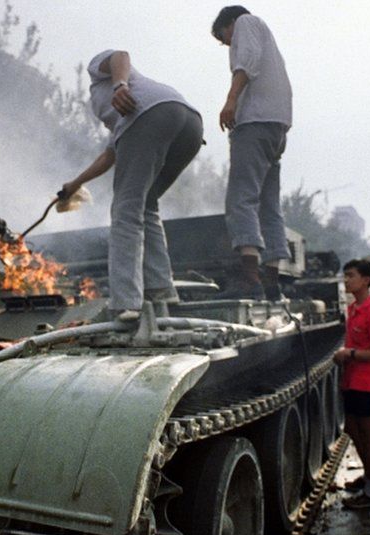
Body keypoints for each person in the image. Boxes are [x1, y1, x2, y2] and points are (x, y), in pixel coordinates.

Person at [60, 50, 203, 320]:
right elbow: (109, 155)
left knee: (125, 211)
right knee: (146, 203)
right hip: (189, 124)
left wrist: (120, 85)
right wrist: (75, 184)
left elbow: (119, 55)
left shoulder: (99, 76)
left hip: (151, 116)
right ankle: (162, 289)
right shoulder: (120, 121)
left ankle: (126, 302)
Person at [210, 6, 292, 300]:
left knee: (241, 199)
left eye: (224, 37)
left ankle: (250, 279)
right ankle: (272, 283)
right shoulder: (269, 42)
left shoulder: (246, 22)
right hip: (277, 128)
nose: (227, 45)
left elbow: (246, 63)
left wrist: (231, 100)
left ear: (229, 23)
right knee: (269, 206)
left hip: (255, 123)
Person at [332, 259, 370, 509]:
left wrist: (350, 354)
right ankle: (368, 475)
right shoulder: (355, 308)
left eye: (351, 276)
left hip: (367, 383)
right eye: (345, 276)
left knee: (367, 436)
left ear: (366, 280)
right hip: (354, 381)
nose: (346, 280)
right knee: (353, 431)